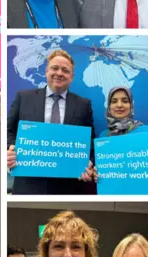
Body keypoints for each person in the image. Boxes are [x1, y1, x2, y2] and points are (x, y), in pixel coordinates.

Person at [6, 49, 96, 194]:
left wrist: (89, 164)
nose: (59, 73)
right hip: (28, 185)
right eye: (55, 68)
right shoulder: (23, 98)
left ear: (71, 77)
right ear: (46, 71)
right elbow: (8, 130)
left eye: (65, 70)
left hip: (68, 186)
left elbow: (90, 142)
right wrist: (10, 150)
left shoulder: (83, 105)